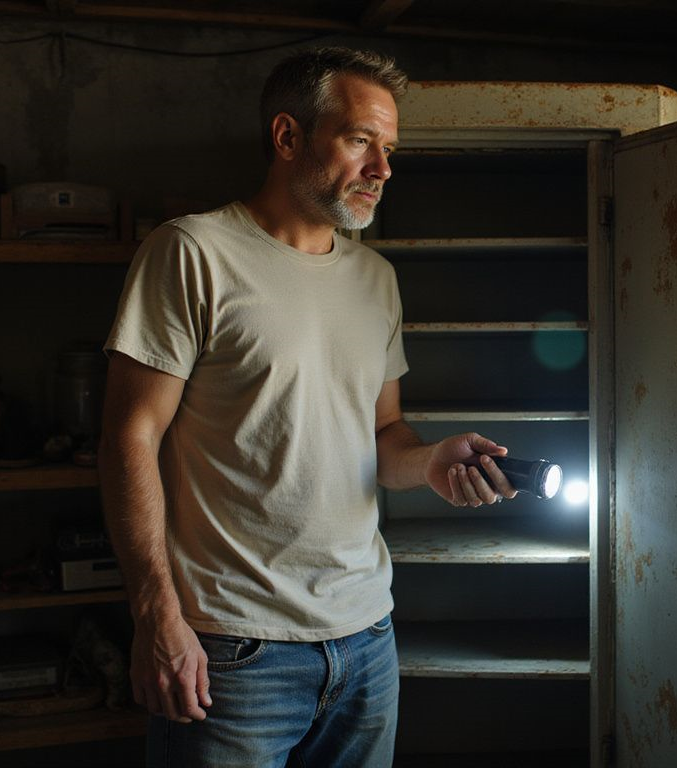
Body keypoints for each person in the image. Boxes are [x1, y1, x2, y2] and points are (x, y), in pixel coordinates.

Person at [98, 47, 516, 768]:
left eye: (389, 150)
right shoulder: (192, 252)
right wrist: (155, 615)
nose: (382, 169)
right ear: (288, 136)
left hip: (367, 638)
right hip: (232, 650)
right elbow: (128, 438)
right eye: (360, 141)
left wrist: (430, 463)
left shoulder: (376, 278)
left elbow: (382, 433)